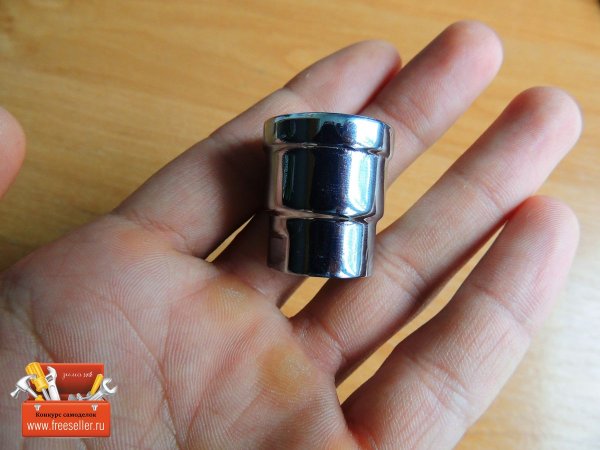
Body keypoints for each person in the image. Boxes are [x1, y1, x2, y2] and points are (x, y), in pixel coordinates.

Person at [0, 21, 581, 448]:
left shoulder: (34, 401)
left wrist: (36, 397)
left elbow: (43, 406)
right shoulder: (35, 397)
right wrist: (33, 394)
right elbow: (43, 407)